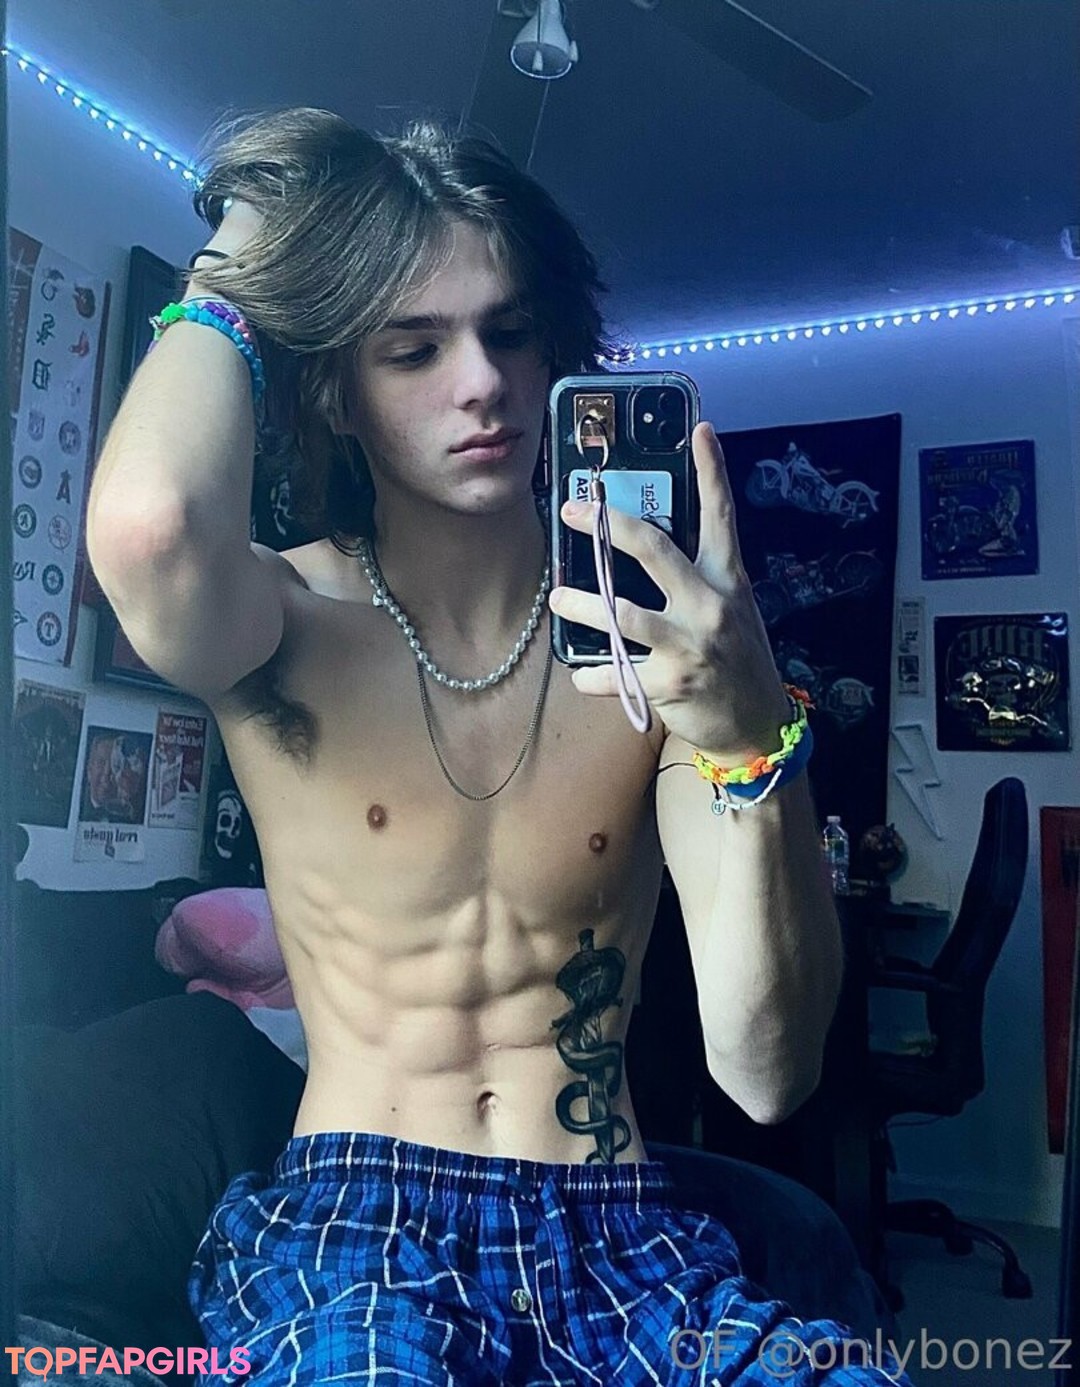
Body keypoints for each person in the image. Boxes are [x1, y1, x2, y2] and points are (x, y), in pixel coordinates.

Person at [87, 108, 911, 1386]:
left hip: (619, 1230)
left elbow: (766, 1070)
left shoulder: (657, 660)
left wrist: (757, 735)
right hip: (361, 1223)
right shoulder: (280, 621)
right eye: (414, 348)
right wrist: (251, 242)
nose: (481, 382)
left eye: (510, 334)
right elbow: (149, 533)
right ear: (338, 393)